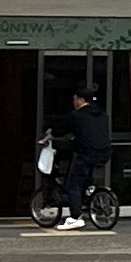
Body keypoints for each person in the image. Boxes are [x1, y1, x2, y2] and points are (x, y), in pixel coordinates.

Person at [55, 80, 109, 228]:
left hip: (86, 154)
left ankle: (75, 217)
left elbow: (64, 129)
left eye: (74, 99)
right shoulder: (101, 114)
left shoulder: (77, 115)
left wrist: (49, 135)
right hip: (103, 153)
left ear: (80, 100)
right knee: (85, 178)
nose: (73, 102)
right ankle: (91, 192)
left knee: (72, 185)